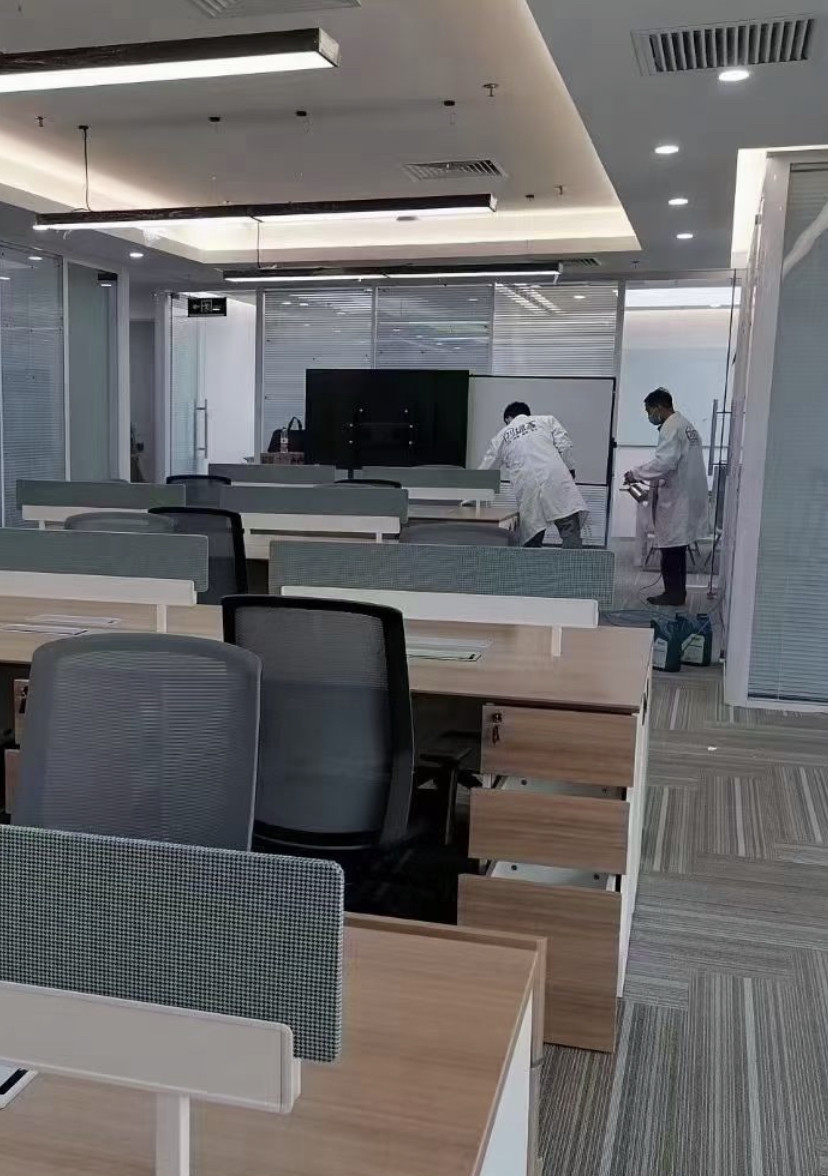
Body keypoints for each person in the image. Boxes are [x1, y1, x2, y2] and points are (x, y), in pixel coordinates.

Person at [625, 388, 709, 607]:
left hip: (678, 497)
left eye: (649, 411)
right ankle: (677, 593)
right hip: (686, 494)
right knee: (677, 547)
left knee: (671, 548)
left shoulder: (671, 428)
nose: (649, 416)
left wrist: (635, 473)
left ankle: (672, 594)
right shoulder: (686, 425)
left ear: (660, 408)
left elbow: (665, 463)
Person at [480, 401, 588, 548]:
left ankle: (533, 562)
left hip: (527, 486)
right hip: (555, 478)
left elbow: (486, 470)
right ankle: (574, 563)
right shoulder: (547, 420)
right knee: (569, 529)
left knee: (533, 534)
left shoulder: (502, 436)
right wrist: (570, 470)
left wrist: (469, 499)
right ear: (528, 414)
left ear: (508, 418)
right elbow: (565, 446)